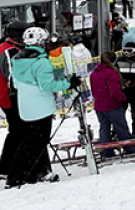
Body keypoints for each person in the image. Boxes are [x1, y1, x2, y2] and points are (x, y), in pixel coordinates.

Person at [6, 27, 80, 188]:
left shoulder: (17, 60)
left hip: (25, 107)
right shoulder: (41, 62)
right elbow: (48, 85)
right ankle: (29, 174)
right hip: (41, 107)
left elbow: (16, 84)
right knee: (39, 142)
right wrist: (68, 83)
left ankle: (22, 174)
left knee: (28, 141)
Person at [90, 52, 135, 159]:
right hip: (112, 104)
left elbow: (93, 90)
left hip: (99, 105)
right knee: (121, 127)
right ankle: (130, 148)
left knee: (104, 127)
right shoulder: (111, 72)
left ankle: (106, 150)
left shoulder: (94, 73)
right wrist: (123, 98)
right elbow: (114, 90)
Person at [0, 22, 31, 181]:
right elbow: (13, 77)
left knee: (16, 131)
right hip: (10, 96)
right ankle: (9, 166)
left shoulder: (8, 48)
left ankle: (7, 166)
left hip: (8, 95)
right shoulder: (9, 50)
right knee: (18, 131)